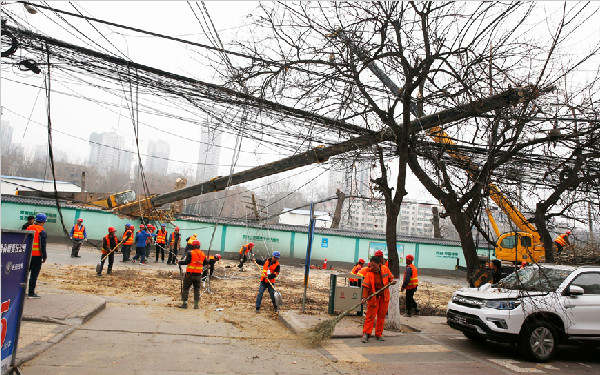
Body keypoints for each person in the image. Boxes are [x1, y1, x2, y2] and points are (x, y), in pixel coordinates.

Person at [361, 256, 394, 343]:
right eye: (371, 266)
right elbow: (365, 286)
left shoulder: (385, 269)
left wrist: (392, 281)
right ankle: (366, 334)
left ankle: (379, 334)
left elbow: (391, 278)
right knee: (370, 316)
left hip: (384, 297)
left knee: (381, 316)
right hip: (373, 298)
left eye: (374, 266)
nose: (372, 268)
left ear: (378, 264)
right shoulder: (369, 273)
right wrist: (364, 298)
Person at [176, 240, 207, 309]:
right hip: (198, 275)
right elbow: (205, 263)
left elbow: (187, 262)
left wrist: (179, 262)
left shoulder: (190, 253)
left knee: (186, 288)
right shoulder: (202, 254)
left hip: (189, 275)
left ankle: (184, 304)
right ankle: (196, 305)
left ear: (193, 246)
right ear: (199, 246)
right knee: (196, 289)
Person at [26, 213, 48, 298]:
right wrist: (44, 257)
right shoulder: (42, 231)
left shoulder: (29, 228)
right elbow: (43, 246)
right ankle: (31, 293)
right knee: (33, 275)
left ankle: (20, 291)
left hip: (27, 255)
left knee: (24, 274)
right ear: (44, 222)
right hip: (37, 256)